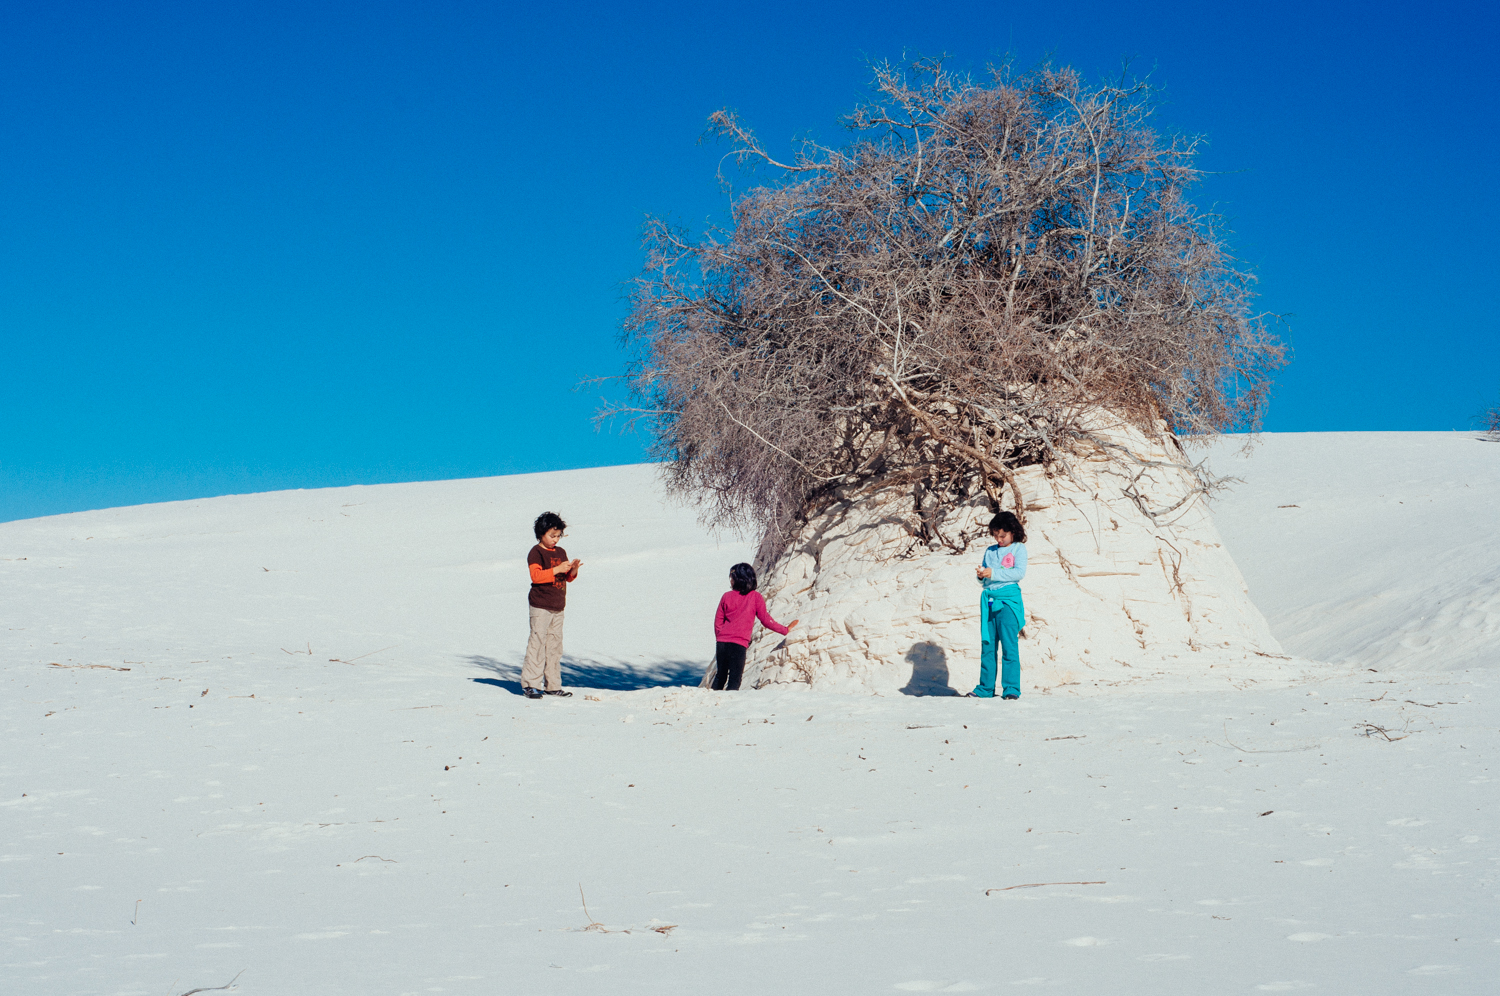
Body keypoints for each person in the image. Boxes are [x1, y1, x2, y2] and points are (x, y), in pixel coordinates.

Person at [710, 563, 798, 691]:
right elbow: (765, 620)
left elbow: (718, 621)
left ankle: (709, 703)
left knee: (720, 676)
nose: (731, 580)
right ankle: (726, 707)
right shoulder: (755, 597)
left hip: (722, 643)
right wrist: (785, 630)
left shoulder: (726, 596)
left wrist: (721, 637)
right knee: (734, 679)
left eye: (732, 577)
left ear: (739, 578)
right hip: (738, 644)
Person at [968, 511, 1027, 700]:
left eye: (1002, 535)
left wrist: (992, 573)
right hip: (991, 599)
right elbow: (986, 579)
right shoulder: (990, 551)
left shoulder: (1019, 549)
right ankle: (985, 688)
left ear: (1013, 532)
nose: (999, 539)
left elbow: (1018, 574)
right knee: (988, 644)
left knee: (1009, 646)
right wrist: (980, 575)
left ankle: (1011, 688)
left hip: (1008, 600)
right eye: (996, 535)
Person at [522, 511, 580, 700]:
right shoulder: (536, 552)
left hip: (558, 606)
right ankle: (531, 684)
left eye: (558, 536)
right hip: (540, 605)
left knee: (555, 646)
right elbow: (536, 576)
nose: (555, 539)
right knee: (537, 643)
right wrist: (556, 569)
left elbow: (566, 579)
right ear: (541, 534)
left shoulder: (561, 552)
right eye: (552, 535)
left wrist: (573, 570)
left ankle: (553, 685)